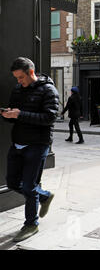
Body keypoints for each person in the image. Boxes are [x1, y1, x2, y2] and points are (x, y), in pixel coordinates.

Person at [1, 57, 59, 242]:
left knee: (28, 185)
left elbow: (50, 118)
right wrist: (8, 115)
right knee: (12, 183)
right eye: (16, 78)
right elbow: (16, 115)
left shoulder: (48, 90)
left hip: (37, 144)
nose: (19, 82)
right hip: (18, 142)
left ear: (31, 73)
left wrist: (20, 114)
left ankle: (31, 224)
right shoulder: (18, 89)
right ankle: (44, 196)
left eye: (21, 78)